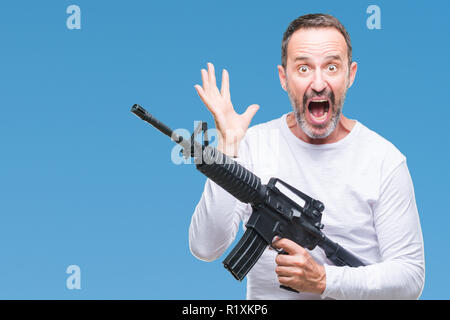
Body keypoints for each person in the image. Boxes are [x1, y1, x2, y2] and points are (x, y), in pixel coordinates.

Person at [189, 13, 425, 300]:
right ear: (283, 78)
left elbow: (410, 278)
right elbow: (205, 247)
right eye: (303, 68)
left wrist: (325, 280)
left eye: (331, 67)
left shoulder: (384, 160)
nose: (318, 83)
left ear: (350, 75)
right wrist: (227, 149)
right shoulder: (251, 143)